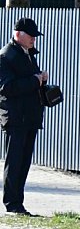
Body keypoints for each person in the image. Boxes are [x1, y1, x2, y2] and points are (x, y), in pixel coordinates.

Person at [0, 18, 49, 215]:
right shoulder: (5, 56)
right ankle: (12, 203)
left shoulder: (28, 54)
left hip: (29, 116)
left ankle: (18, 201)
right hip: (15, 117)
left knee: (25, 161)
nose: (34, 40)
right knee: (15, 161)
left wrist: (41, 80)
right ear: (18, 34)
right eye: (31, 36)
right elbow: (6, 87)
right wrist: (35, 80)